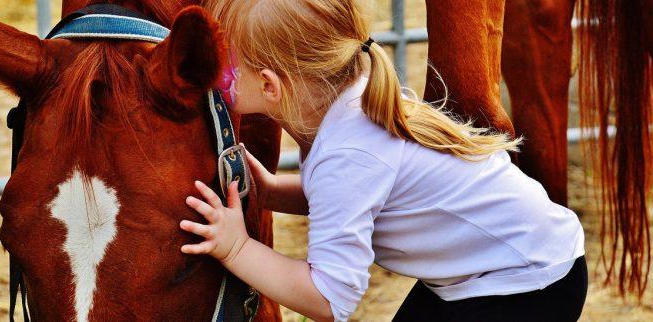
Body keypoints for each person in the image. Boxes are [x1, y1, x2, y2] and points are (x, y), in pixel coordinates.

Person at [179, 1, 587, 321]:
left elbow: (329, 298)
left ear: (269, 84)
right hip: (495, 269)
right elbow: (347, 200)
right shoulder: (354, 100)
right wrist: (269, 191)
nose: (217, 75)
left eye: (224, 65)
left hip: (526, 284)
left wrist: (236, 248)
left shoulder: (348, 153)